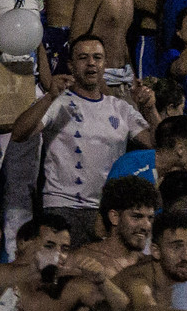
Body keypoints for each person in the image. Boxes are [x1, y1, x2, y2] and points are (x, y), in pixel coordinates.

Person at [9, 36, 158, 243]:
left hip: (107, 210)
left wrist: (150, 110)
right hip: (62, 207)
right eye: (83, 57)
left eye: (97, 57)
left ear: (105, 64)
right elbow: (19, 133)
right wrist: (50, 96)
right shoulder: (58, 102)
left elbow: (157, 145)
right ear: (71, 65)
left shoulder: (120, 108)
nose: (91, 63)